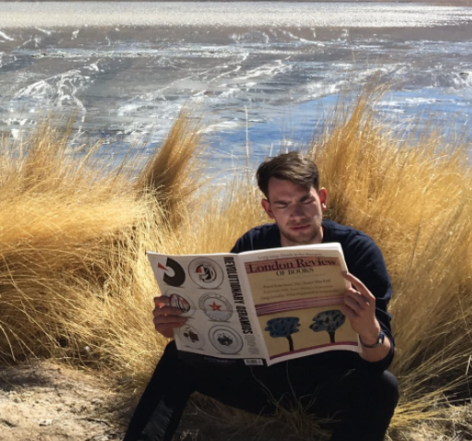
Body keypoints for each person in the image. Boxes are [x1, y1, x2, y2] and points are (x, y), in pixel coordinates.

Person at [123, 151, 399, 441]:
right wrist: (178, 327)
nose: (298, 214)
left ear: (322, 198)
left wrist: (369, 330)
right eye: (283, 204)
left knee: (383, 387)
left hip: (325, 389)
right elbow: (223, 325)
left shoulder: (359, 252)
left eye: (306, 200)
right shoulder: (253, 244)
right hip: (261, 381)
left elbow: (380, 359)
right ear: (268, 209)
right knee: (179, 356)